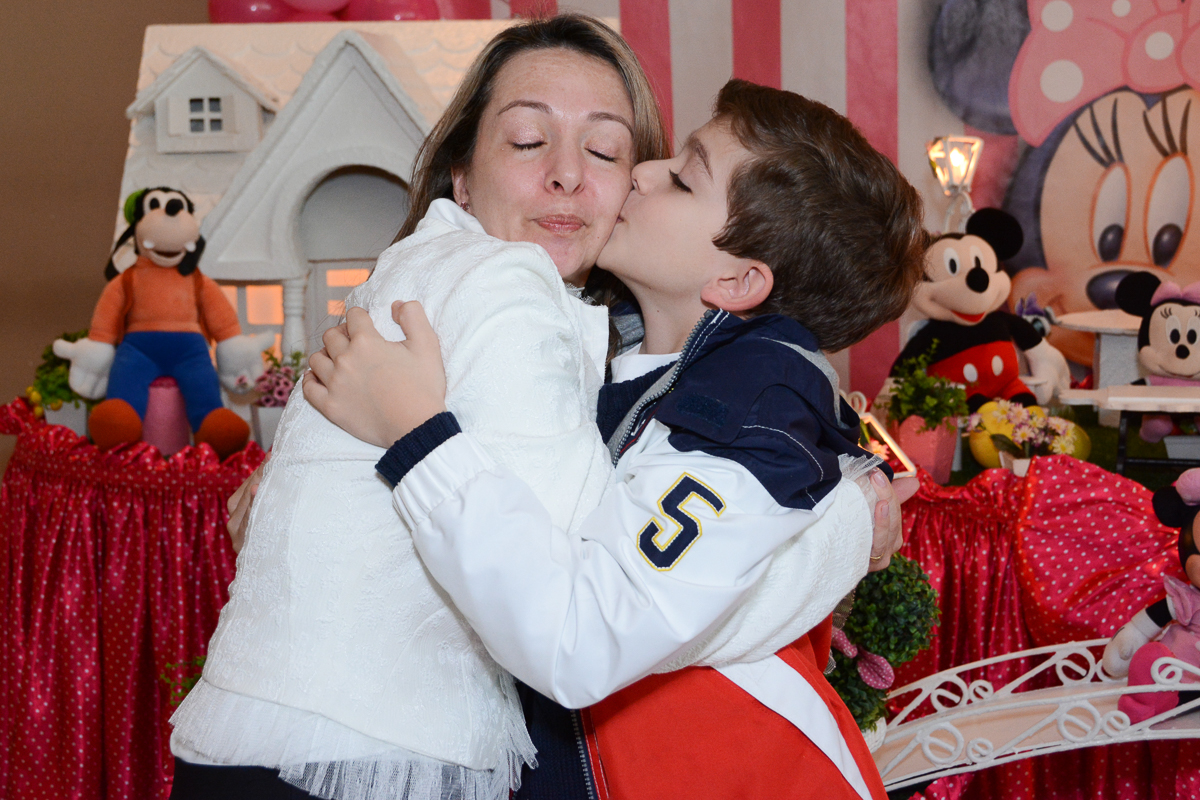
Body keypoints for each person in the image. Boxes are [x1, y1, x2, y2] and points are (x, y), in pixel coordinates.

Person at [169, 16, 903, 800]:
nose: (585, 176)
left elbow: (598, 607)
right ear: (461, 174)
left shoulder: (656, 357)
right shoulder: (507, 286)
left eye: (610, 152)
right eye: (526, 142)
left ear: (738, 280)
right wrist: (838, 535)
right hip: (367, 758)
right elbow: (585, 622)